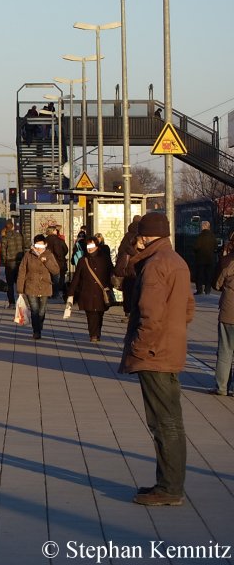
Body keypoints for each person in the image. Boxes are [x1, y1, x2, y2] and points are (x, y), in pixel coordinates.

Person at [119, 212, 195, 507]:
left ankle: (169, 488)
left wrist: (140, 346)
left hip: (154, 353)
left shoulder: (154, 265)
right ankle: (169, 483)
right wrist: (173, 333)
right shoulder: (176, 261)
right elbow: (188, 308)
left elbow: (149, 315)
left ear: (145, 236)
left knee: (163, 423)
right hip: (169, 348)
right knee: (172, 421)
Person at [67, 236, 115, 342]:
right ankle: (93, 334)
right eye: (88, 246)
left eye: (92, 245)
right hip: (87, 291)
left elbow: (112, 272)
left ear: (97, 246)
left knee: (100, 313)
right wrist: (71, 292)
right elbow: (77, 277)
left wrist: (111, 285)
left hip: (101, 291)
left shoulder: (105, 259)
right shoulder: (83, 260)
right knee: (91, 314)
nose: (90, 248)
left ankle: (97, 332)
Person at [16, 234, 59, 340]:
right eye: (37, 246)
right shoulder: (28, 255)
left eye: (41, 246)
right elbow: (22, 271)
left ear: (45, 245)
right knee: (34, 309)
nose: (39, 248)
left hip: (45, 286)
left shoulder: (49, 255)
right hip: (31, 286)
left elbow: (56, 270)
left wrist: (45, 261)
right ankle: (36, 331)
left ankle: (39, 325)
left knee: (42, 310)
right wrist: (20, 289)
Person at [211, 232, 234, 396]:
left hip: (228, 312)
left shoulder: (227, 262)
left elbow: (217, 285)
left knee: (225, 350)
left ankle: (222, 387)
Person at [113, 215, 142, 317]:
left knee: (128, 290)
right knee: (138, 290)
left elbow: (121, 250)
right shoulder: (142, 235)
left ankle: (127, 311)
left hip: (127, 268)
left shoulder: (127, 235)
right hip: (138, 267)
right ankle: (135, 311)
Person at [0, 220, 25, 308]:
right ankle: (21, 302)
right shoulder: (19, 235)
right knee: (20, 282)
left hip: (10, 263)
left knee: (10, 284)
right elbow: (25, 246)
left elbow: (3, 251)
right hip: (20, 262)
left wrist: (4, 261)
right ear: (13, 226)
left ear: (6, 227)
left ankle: (12, 303)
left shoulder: (5, 238)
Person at [193, 221, 218, 295]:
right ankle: (207, 290)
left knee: (199, 275)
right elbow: (216, 247)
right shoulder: (212, 236)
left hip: (200, 259)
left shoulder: (200, 236)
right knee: (208, 275)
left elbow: (196, 247)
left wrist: (196, 252)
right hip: (210, 259)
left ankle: (199, 290)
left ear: (203, 227)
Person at [47, 226, 69, 298]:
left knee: (49, 278)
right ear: (53, 231)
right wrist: (61, 258)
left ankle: (49, 293)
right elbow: (65, 250)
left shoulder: (45, 240)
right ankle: (56, 293)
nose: (56, 231)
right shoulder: (58, 240)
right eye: (55, 230)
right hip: (58, 262)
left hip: (47, 262)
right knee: (57, 278)